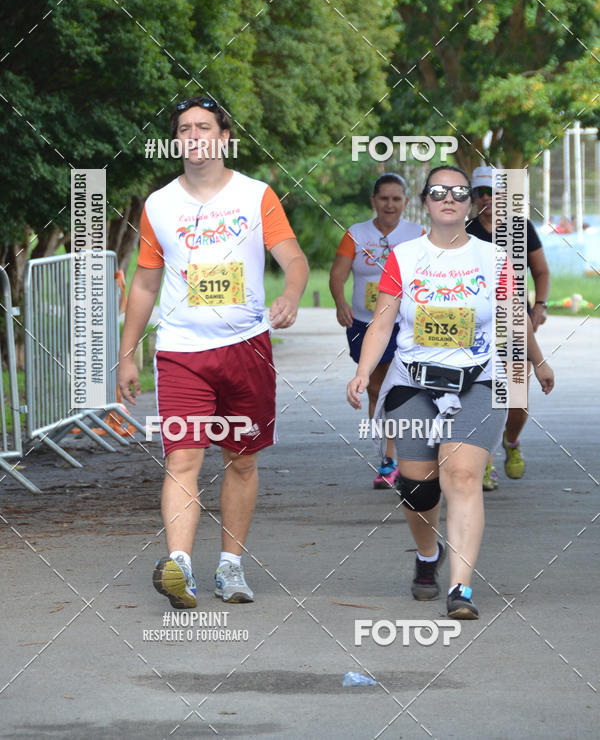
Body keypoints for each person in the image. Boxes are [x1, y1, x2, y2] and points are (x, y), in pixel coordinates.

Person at [118, 96, 308, 608]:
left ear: (224, 137)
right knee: (183, 457)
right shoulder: (159, 205)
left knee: (240, 461)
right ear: (177, 140)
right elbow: (144, 284)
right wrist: (128, 353)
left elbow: (293, 258)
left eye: (205, 126)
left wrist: (290, 294)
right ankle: (179, 565)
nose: (195, 135)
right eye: (185, 128)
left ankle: (231, 567)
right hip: (181, 351)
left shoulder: (256, 196)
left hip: (246, 347)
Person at [347, 165, 554, 619]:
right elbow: (383, 320)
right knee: (418, 489)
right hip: (412, 382)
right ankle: (427, 558)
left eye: (459, 192)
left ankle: (461, 589)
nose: (449, 198)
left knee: (461, 475)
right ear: (425, 201)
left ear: (470, 203)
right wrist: (363, 373)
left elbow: (512, 315)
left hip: (479, 378)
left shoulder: (493, 259)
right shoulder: (403, 257)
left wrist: (537, 361)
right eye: (438, 191)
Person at [329, 173, 423, 488]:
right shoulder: (356, 234)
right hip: (362, 322)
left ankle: (397, 458)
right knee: (374, 388)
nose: (390, 204)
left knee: (398, 387)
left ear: (406, 203)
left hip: (403, 323)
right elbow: (337, 275)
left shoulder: (417, 233)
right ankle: (386, 456)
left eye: (397, 199)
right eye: (384, 198)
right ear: (374, 201)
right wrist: (340, 301)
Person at [467, 165, 551, 489]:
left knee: (516, 400)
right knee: (484, 397)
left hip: (516, 321)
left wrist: (540, 307)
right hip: (477, 327)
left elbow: (541, 271)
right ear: (473, 197)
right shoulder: (464, 231)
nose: (487, 199)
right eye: (481, 193)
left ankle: (511, 442)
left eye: (494, 193)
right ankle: (484, 461)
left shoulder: (521, 228)